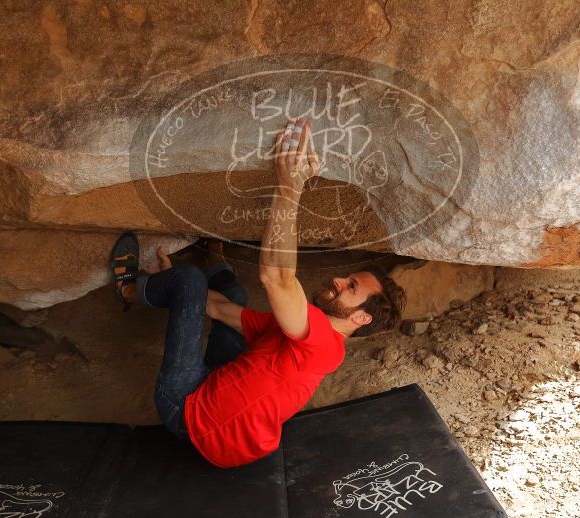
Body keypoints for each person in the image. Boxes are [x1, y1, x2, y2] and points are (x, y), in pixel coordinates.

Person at [110, 118, 407, 467]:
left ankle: (128, 290)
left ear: (361, 318)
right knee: (229, 293)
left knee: (189, 280)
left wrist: (289, 185)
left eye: (351, 287)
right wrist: (174, 287)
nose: (339, 280)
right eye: (348, 278)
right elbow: (221, 310)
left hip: (189, 413)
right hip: (228, 425)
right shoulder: (299, 335)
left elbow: (277, 277)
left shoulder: (323, 343)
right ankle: (215, 256)